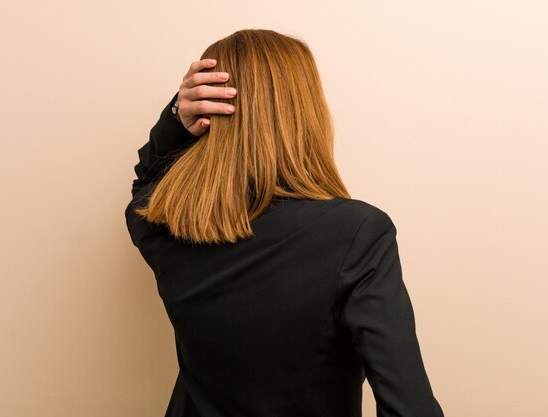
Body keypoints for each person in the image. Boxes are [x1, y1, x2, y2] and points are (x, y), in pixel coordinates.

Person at [124, 29, 445, 417]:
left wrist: (176, 117)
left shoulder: (166, 225)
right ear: (307, 113)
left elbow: (146, 186)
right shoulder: (358, 233)